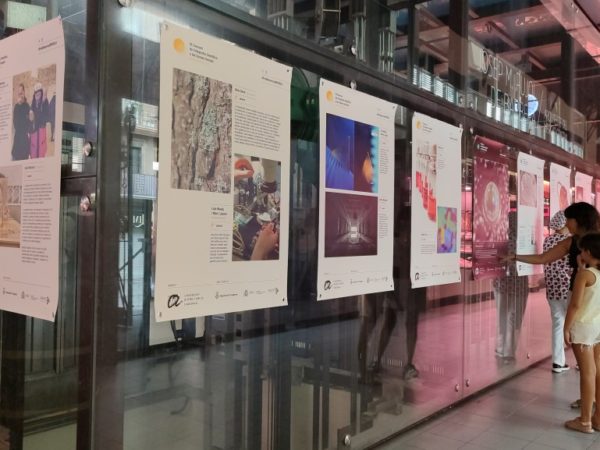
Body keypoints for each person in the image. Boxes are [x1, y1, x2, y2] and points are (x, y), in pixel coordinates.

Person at [563, 233, 600, 433]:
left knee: (587, 372)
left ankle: (585, 421)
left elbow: (575, 305)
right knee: (598, 371)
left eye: (582, 249)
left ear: (588, 251)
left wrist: (566, 328)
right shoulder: (592, 273)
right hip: (598, 327)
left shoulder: (585, 275)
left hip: (584, 328)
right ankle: (598, 418)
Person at [494, 211, 528, 361]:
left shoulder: (500, 238)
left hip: (501, 282)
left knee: (502, 314)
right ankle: (509, 350)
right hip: (518, 282)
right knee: (514, 316)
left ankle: (501, 347)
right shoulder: (523, 240)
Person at [543, 211, 572, 373]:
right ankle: (582, 362)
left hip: (552, 289)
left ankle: (558, 362)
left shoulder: (547, 240)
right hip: (567, 288)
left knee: (557, 324)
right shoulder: (567, 241)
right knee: (574, 325)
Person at [29, 82, 49, 159]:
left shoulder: (45, 102)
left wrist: (43, 104)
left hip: (41, 131)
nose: (37, 94)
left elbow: (47, 117)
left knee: (41, 153)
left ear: (41, 93)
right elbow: (30, 119)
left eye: (39, 92)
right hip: (34, 133)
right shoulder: (33, 104)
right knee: (33, 153)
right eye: (36, 93)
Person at [11, 84, 30, 161]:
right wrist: (18, 105)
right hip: (18, 140)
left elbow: (29, 123)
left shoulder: (27, 106)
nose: (20, 94)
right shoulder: (16, 107)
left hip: (25, 140)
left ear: (24, 92)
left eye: (21, 92)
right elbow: (15, 123)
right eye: (19, 93)